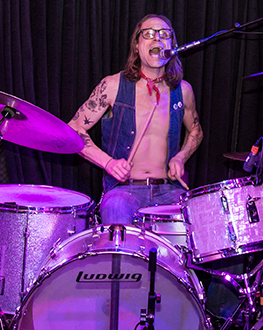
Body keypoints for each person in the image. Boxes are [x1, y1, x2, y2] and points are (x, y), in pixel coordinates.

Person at [69, 14, 203, 225]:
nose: (157, 39)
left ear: (172, 46)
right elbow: (73, 131)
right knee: (116, 215)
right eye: (148, 34)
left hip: (169, 191)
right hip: (123, 192)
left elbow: (196, 131)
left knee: (198, 222)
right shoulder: (112, 86)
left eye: (164, 34)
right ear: (137, 45)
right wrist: (109, 163)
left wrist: (181, 157)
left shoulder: (183, 90)